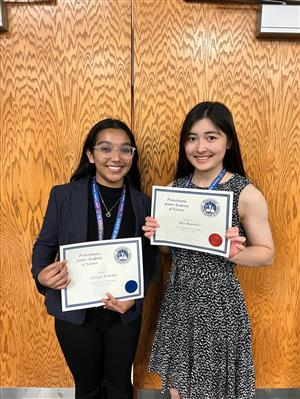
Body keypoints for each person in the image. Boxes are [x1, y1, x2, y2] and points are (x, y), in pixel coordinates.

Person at [142, 102, 274, 399]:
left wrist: (232, 253)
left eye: (211, 137)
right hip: (179, 299)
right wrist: (157, 235)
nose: (200, 147)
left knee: (217, 390)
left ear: (228, 142)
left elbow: (266, 253)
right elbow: (168, 251)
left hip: (219, 302)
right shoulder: (175, 189)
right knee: (179, 390)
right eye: (192, 138)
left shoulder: (245, 193)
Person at [32, 119, 157, 399]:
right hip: (76, 314)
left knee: (119, 386)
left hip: (122, 314)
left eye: (126, 150)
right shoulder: (64, 195)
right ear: (90, 155)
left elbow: (149, 259)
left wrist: (135, 299)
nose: (116, 157)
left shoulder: (142, 203)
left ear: (132, 156)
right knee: (87, 388)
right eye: (105, 148)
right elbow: (44, 245)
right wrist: (41, 274)